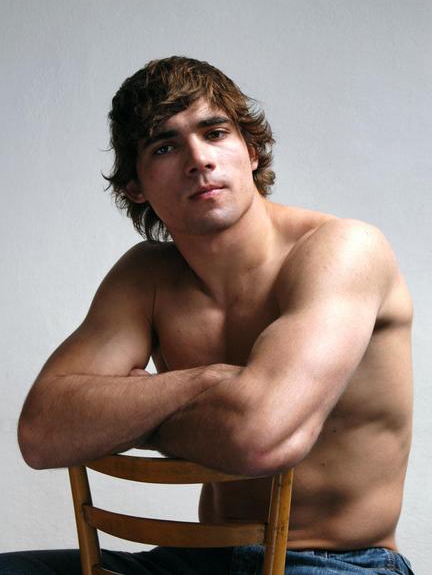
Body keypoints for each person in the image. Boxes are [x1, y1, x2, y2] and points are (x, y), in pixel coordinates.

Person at [2, 57, 414, 574]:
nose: (199, 160)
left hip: (336, 562)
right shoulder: (146, 275)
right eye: (165, 147)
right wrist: (208, 382)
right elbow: (42, 433)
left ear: (252, 150)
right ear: (135, 186)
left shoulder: (342, 249)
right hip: (202, 560)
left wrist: (125, 419)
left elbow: (256, 439)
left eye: (215, 133)